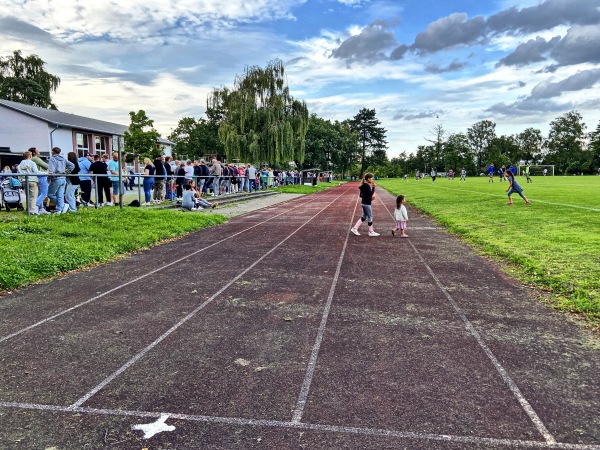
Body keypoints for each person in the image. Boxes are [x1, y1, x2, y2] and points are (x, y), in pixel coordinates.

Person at [47, 147, 74, 214]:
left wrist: (49, 178)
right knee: (60, 195)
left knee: (50, 194)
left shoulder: (52, 159)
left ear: (53, 151)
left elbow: (51, 170)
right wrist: (67, 173)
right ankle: (58, 210)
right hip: (63, 178)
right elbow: (72, 165)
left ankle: (63, 205)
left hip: (56, 178)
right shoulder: (63, 159)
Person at [17, 150, 39, 215]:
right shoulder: (32, 163)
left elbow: (19, 174)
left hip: (24, 181)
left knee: (28, 196)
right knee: (33, 197)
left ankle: (28, 209)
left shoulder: (20, 165)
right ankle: (31, 212)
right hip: (32, 181)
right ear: (30, 156)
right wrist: (46, 173)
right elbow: (36, 172)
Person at [31, 147, 50, 214]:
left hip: (37, 177)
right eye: (37, 150)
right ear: (34, 152)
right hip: (42, 176)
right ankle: (36, 207)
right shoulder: (36, 158)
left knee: (40, 194)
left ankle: (41, 209)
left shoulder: (32, 159)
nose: (39, 151)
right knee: (44, 193)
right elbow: (46, 166)